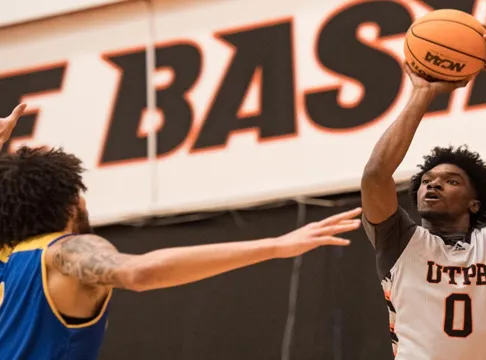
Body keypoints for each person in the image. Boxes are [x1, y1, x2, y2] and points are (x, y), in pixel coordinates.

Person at [0, 104, 363, 360]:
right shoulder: (66, 252)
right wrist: (275, 245)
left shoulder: (8, 261)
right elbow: (139, 271)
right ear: (70, 203)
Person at [360, 19, 486, 360]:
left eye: (450, 180)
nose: (433, 183)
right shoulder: (397, 240)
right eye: (427, 180)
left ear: (474, 203)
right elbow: (375, 175)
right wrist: (423, 93)